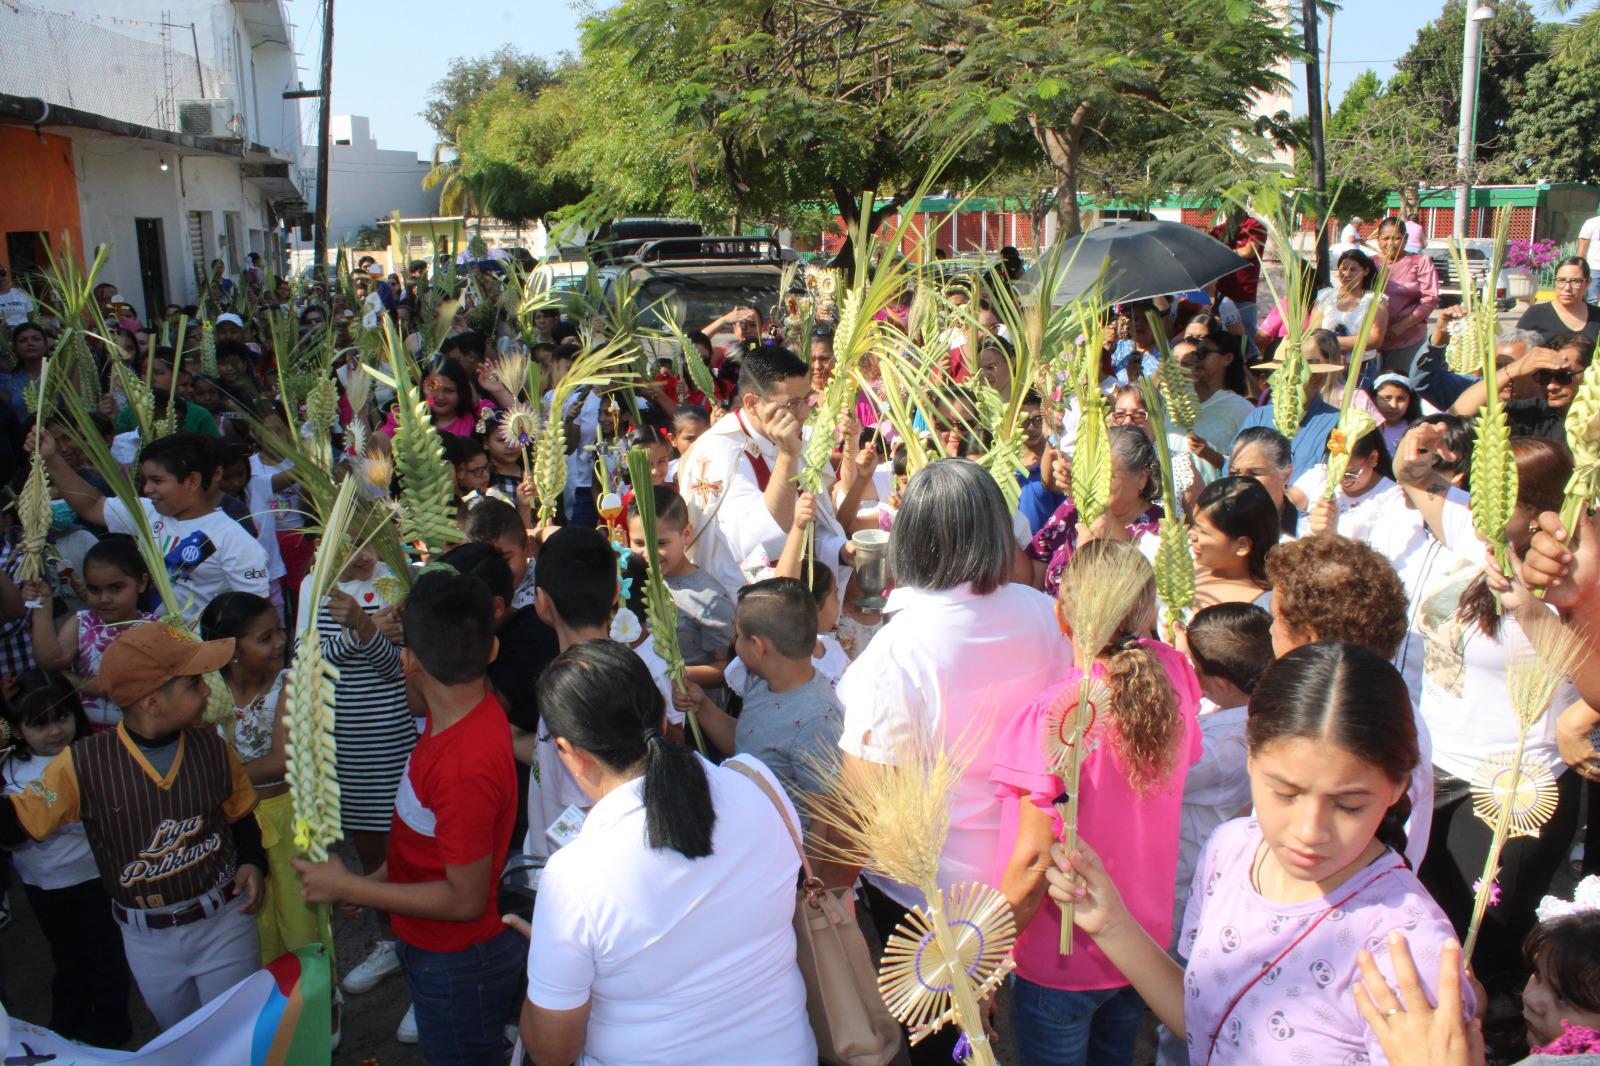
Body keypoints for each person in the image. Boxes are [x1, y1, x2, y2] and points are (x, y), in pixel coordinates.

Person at [1045, 642, 1472, 1066]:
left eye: (1348, 805)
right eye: (1285, 793)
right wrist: (1111, 924)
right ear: (1249, 757)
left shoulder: (1409, 948)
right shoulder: (1231, 849)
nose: (1310, 832)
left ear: (1397, 788)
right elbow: (1209, 1026)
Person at [836, 458, 1073, 1066]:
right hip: (1032, 868)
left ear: (909, 540)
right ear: (998, 531)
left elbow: (866, 800)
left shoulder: (894, 655)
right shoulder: (1045, 614)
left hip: (931, 905)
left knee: (948, 1046)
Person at [519, 640, 816, 1066]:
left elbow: (552, 1051)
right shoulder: (757, 785)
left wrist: (543, 970)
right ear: (662, 713)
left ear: (570, 754)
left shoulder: (575, 876)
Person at [294, 568, 523, 1066]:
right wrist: (378, 877)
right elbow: (427, 845)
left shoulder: (461, 764)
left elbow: (463, 899)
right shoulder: (462, 721)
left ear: (409, 660)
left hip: (458, 958)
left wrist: (351, 888)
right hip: (435, 946)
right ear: (491, 651)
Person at [992, 540, 1202, 1065]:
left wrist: (987, 959)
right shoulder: (1175, 676)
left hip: (1062, 962)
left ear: (1062, 617)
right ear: (1148, 611)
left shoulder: (1054, 719)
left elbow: (1035, 859)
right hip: (1141, 947)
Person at [0, 622, 265, 1030]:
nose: (209, 690)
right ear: (152, 703)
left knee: (235, 1032)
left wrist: (252, 860)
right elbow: (15, 823)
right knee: (182, 1037)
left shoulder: (212, 746)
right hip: (147, 937)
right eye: (194, 683)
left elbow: (239, 814)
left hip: (223, 919)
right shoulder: (81, 763)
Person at [1264, 535, 1432, 866]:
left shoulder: (1336, 730)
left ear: (1310, 638)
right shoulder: (1390, 706)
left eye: (1276, 618)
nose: (1270, 631)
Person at [296, 542, 415, 1006]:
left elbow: (395, 670)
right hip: (345, 742)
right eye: (349, 542)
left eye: (371, 540)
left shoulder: (396, 579)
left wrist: (369, 631)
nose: (362, 553)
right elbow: (308, 666)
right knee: (369, 849)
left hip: (392, 738)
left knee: (408, 849)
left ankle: (420, 953)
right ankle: (390, 941)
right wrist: (363, 633)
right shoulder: (314, 586)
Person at [1155, 602, 1273, 1066]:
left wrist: (1173, 683)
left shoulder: (1224, 743)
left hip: (1189, 886)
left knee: (1185, 999)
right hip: (1201, 871)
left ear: (1219, 684)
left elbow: (1158, 767)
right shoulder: (1255, 716)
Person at [0, 675, 132, 1047]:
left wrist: (43, 819)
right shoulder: (8, 768)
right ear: (19, 730)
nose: (55, 730)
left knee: (104, 953)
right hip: (40, 884)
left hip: (92, 878)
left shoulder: (91, 757)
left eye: (62, 717)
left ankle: (112, 1023)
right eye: (39, 723)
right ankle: (69, 1015)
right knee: (66, 953)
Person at [200, 591, 327, 969]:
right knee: (255, 925)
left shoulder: (292, 683)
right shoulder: (207, 692)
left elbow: (282, 761)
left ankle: (319, 1011)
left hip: (292, 819)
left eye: (279, 631)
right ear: (231, 649)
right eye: (265, 637)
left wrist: (216, 780)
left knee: (303, 924)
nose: (280, 642)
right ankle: (275, 1017)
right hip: (233, 825)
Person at [37, 431, 270, 625]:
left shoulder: (234, 540)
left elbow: (255, 614)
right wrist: (52, 457)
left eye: (157, 481)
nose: (147, 489)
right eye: (146, 480)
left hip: (206, 657)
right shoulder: (147, 512)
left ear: (192, 480)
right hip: (154, 646)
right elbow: (92, 504)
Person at [680, 346, 848, 595]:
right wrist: (787, 457)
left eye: (806, 399)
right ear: (751, 403)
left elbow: (812, 529)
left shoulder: (798, 436)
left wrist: (841, 552)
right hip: (741, 603)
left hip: (795, 597)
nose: (803, 414)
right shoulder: (719, 453)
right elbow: (756, 544)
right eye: (791, 403)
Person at [24, 535, 158, 730]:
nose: (104, 598)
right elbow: (50, 660)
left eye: (116, 588)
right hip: (85, 731)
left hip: (135, 733)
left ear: (141, 583)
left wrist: (72, 679)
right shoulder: (83, 621)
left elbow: (124, 687)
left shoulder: (153, 628)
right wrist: (42, 607)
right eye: (94, 589)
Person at [1027, 425, 1163, 596]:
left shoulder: (1158, 532)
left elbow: (1137, 588)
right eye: (1092, 473)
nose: (1095, 483)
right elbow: (1031, 577)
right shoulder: (1071, 508)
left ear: (1142, 479)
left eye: (1107, 476)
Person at [627, 485, 733, 694]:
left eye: (661, 543)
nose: (648, 554)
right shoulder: (628, 582)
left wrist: (671, 672)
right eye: (639, 543)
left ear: (686, 534)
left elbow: (727, 669)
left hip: (690, 712)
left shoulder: (709, 598)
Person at [1235, 331, 1345, 476]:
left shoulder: (1338, 424)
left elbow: (1335, 478)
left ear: (1317, 379)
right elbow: (1232, 467)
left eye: (1294, 377)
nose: (1283, 382)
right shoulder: (1258, 417)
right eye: (1277, 374)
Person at [1450, 331, 1591, 441]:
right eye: (1544, 376)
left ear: (1591, 373)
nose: (1551, 386)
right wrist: (1513, 369)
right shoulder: (1535, 413)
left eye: (1563, 376)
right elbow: (1457, 413)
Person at [1294, 426, 1402, 540]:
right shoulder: (1321, 475)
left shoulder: (1393, 499)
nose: (1341, 480)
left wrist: (1331, 536)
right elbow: (1284, 504)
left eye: (1350, 473)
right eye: (1335, 471)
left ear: (1373, 458)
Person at [1189, 476, 1279, 610]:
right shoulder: (1186, 565)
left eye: (1203, 531)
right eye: (1194, 525)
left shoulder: (1263, 606)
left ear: (1242, 546)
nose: (1191, 534)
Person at [1178, 337, 1255, 482]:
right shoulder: (1174, 395)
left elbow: (1250, 465)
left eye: (1204, 352)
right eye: (1196, 353)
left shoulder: (1242, 409)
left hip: (1211, 498)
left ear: (1227, 359)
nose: (1197, 358)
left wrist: (1209, 454)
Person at [1374, 216, 1440, 376]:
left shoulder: (1420, 262)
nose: (1390, 243)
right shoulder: (1370, 264)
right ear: (1377, 239)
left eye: (1396, 238)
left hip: (1408, 337)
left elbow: (1430, 299)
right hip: (1373, 339)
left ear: (1406, 239)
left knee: (1403, 384)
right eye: (1385, 238)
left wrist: (1402, 326)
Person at [1309, 249, 1389, 364]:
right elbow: (1314, 332)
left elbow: (1374, 339)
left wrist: (1332, 342)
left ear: (1366, 271)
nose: (1347, 274)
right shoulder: (1326, 296)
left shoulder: (1375, 301)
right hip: (1327, 365)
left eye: (1353, 270)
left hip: (1361, 367)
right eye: (1343, 269)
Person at [1517, 257, 1600, 348]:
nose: (1567, 288)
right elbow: (1514, 352)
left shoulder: (1597, 316)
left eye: (1575, 281)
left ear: (1588, 283)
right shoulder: (1536, 313)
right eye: (1561, 280)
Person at [0, 321, 47, 423]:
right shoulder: (7, 381)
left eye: (36, 339)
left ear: (45, 345)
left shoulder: (61, 376)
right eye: (23, 340)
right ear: (15, 349)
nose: (30, 343)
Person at [1372, 372, 1420, 455]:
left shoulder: (1419, 429)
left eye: (1401, 399)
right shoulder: (1367, 431)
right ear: (1374, 398)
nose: (1394, 405)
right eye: (1387, 398)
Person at [0, 264, 35, 328]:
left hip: (22, 332)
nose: (0, 277)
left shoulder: (21, 292)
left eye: (2, 273)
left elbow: (30, 314)